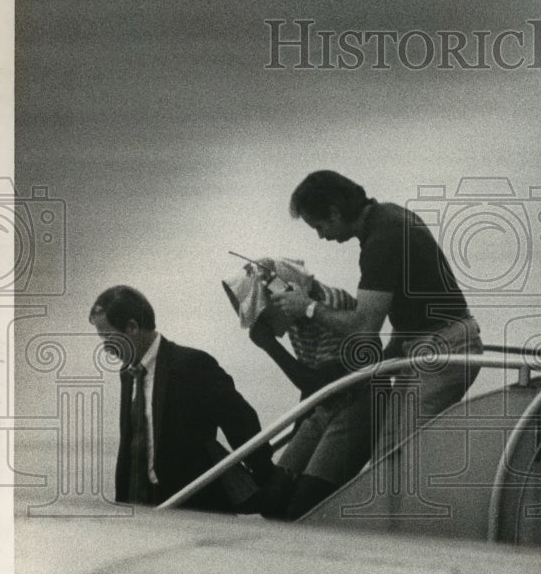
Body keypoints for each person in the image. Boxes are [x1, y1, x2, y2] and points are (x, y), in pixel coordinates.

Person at [273, 170, 484, 459]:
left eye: (319, 226)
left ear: (335, 213)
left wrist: (307, 307)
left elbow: (364, 328)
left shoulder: (382, 241)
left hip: (444, 347)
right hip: (434, 341)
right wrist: (389, 355)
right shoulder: (389, 217)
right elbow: (413, 301)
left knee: (398, 456)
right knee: (388, 453)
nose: (321, 236)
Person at [89, 285, 274, 511]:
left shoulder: (192, 364)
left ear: (132, 327)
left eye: (108, 338)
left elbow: (240, 420)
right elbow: (131, 444)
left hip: (194, 502)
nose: (106, 349)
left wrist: (266, 477)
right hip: (147, 502)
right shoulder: (128, 374)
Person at [222, 257, 371, 519]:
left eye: (262, 315)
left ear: (281, 294)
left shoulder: (329, 304)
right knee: (272, 502)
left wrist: (270, 346)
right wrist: (299, 435)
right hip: (324, 405)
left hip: (356, 404)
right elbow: (313, 382)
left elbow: (321, 385)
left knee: (302, 506)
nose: (261, 325)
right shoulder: (295, 316)